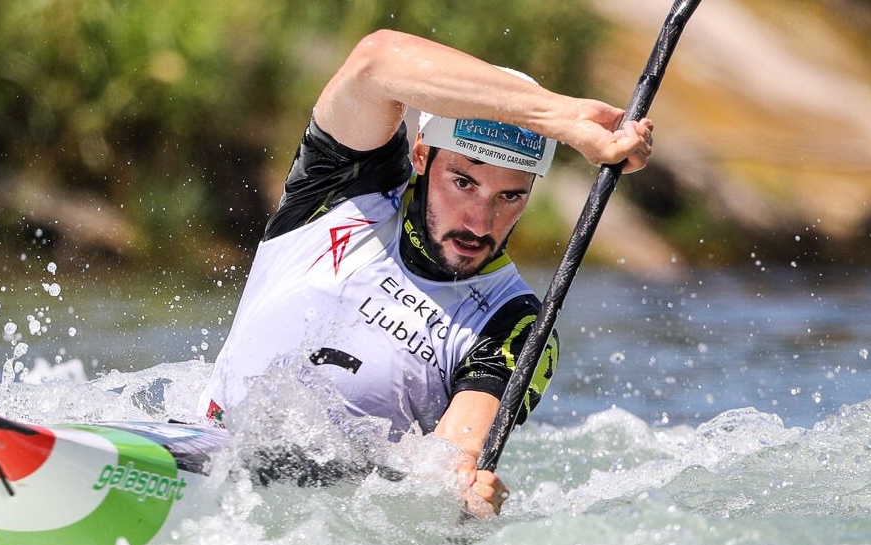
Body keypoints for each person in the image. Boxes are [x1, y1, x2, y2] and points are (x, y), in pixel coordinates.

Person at [198, 30, 654, 516]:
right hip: (209, 456)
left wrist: (459, 487)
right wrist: (559, 117)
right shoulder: (341, 189)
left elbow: (456, 451)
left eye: (510, 196)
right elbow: (375, 60)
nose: (480, 223)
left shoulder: (516, 322)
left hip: (329, 522)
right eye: (463, 182)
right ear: (421, 155)